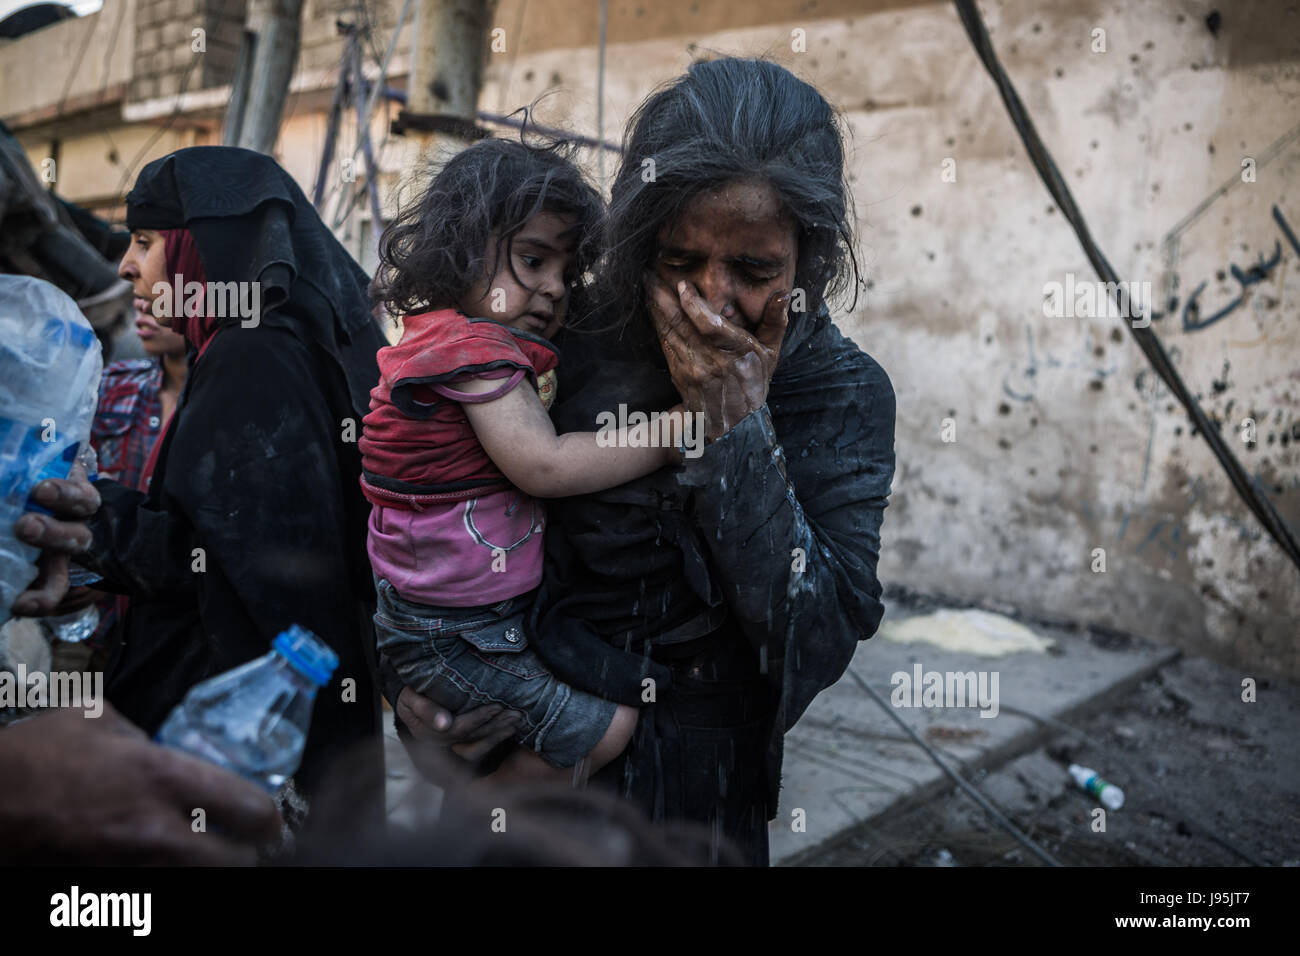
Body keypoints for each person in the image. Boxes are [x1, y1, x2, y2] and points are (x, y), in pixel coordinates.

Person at [384, 58, 897, 866]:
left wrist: (735, 427)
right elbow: (426, 509)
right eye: (678, 263)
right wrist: (426, 687)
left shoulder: (839, 393)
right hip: (530, 763)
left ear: (812, 255)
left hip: (696, 793)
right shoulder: (568, 340)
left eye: (755, 271)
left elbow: (816, 636)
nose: (712, 303)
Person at [28, 146, 391, 823]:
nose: (125, 265)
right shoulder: (270, 347)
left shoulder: (251, 355)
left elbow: (231, 570)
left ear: (199, 247)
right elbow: (234, 545)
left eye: (144, 241)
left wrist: (91, 512)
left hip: (234, 742)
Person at [362, 138, 689, 781]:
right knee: (610, 727)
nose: (552, 290)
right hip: (459, 633)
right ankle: (478, 831)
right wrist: (672, 432)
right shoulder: (476, 354)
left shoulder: (431, 341)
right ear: (458, 251)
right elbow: (545, 466)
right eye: (532, 260)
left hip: (442, 619)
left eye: (566, 272)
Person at [48, 309, 189, 669]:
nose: (143, 303)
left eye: (167, 291)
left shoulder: (225, 409)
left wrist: (114, 570)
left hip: (168, 643)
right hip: (88, 631)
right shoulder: (111, 385)